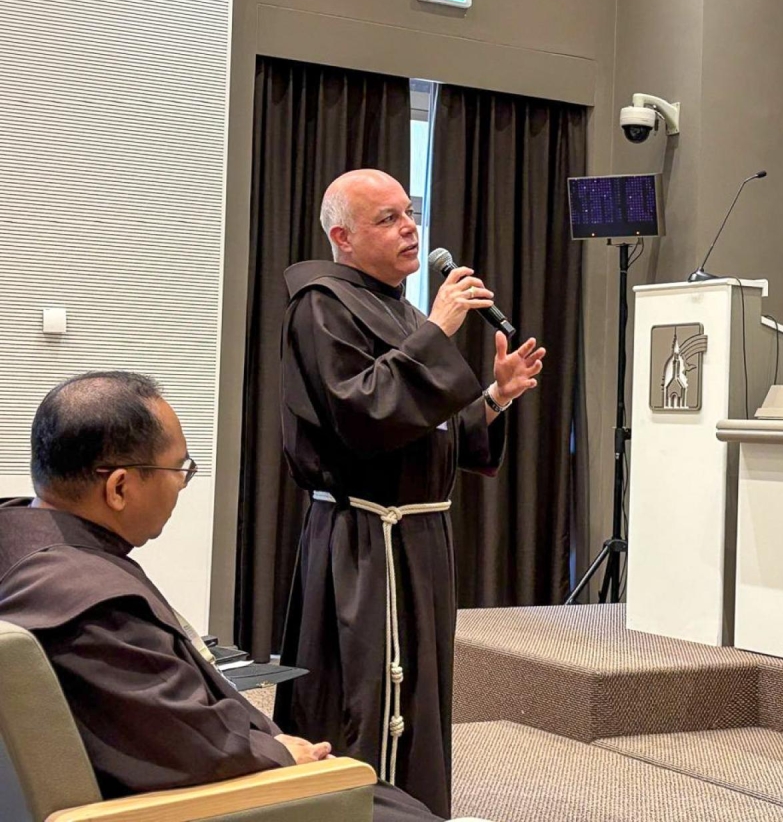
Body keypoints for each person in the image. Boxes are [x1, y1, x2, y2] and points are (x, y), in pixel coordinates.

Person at [0, 372, 442, 821]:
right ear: (118, 488)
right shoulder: (89, 608)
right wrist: (279, 754)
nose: (182, 484)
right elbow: (192, 747)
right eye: (180, 470)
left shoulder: (21, 540)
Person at [275, 168, 544, 817]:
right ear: (342, 236)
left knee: (419, 695)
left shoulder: (399, 309)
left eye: (409, 213)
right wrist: (438, 331)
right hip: (365, 538)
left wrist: (494, 398)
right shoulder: (320, 304)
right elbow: (361, 417)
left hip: (419, 535)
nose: (410, 229)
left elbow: (426, 432)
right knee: (367, 695)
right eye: (388, 219)